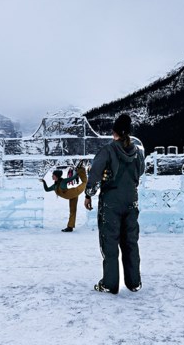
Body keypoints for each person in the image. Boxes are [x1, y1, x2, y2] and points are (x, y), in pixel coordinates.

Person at [84, 114, 146, 294]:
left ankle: (110, 283)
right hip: (131, 202)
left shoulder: (107, 150)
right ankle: (134, 282)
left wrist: (89, 194)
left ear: (114, 132)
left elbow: (95, 174)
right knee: (131, 243)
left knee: (110, 243)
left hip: (111, 203)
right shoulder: (138, 153)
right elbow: (139, 172)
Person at [41, 163, 87, 232]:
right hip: (71, 197)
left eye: (53, 175)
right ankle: (70, 227)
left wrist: (78, 171)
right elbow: (47, 189)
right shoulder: (55, 186)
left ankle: (81, 168)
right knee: (73, 211)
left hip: (74, 191)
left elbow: (74, 177)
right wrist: (44, 182)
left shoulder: (63, 181)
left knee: (85, 183)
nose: (52, 177)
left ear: (56, 176)